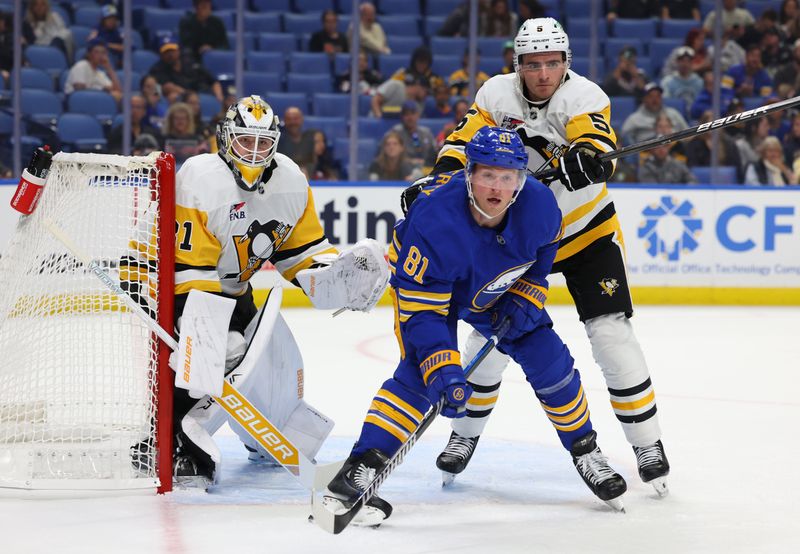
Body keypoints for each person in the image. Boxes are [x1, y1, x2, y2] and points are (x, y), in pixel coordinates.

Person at [407, 17, 670, 496]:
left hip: (587, 234)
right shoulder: (494, 94)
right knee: (492, 337)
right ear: (518, 65)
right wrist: (440, 179)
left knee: (611, 334)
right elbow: (462, 145)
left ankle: (646, 443)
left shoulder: (584, 95)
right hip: (521, 239)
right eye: (533, 63)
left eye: (552, 63)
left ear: (566, 63)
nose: (543, 73)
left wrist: (586, 156)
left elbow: (595, 137)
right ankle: (463, 434)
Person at [323, 127, 627, 524]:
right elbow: (424, 314)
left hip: (495, 288)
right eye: (487, 175)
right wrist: (444, 370)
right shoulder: (433, 219)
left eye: (507, 177)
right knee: (419, 376)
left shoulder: (540, 207)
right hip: (433, 291)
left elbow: (543, 254)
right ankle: (357, 470)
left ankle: (586, 450)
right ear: (468, 174)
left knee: (550, 360)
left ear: (521, 179)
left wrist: (528, 292)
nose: (497, 188)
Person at [168, 95, 388, 488]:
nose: (254, 152)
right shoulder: (200, 177)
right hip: (179, 291)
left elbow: (301, 254)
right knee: (217, 360)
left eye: (263, 143)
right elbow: (192, 275)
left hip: (235, 292)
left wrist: (339, 279)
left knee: (276, 363)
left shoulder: (290, 179)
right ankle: (180, 444)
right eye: (243, 142)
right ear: (224, 140)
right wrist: (209, 339)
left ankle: (268, 439)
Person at [148, 35, 224, 104]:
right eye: (166, 51)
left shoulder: (191, 63)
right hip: (183, 100)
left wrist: (219, 96)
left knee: (231, 100)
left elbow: (213, 81)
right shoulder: (157, 69)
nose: (170, 54)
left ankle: (227, 116)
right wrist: (190, 96)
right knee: (173, 96)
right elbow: (167, 87)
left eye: (172, 50)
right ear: (161, 55)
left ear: (179, 50)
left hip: (203, 94)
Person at [621, 82, 688, 145]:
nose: (655, 99)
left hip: (675, 152)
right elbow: (624, 139)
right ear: (644, 99)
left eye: (658, 96)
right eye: (651, 96)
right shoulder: (634, 119)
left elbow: (688, 135)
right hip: (645, 153)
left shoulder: (673, 114)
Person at [63, 38, 122, 103]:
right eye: (97, 52)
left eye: (103, 52)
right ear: (89, 54)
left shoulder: (100, 73)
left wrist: (109, 68)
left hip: (94, 101)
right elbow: (79, 90)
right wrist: (101, 90)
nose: (100, 56)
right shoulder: (81, 65)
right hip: (76, 102)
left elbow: (118, 90)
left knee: (118, 96)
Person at [389, 101, 438, 172]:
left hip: (426, 169)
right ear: (402, 117)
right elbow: (389, 155)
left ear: (418, 115)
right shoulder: (396, 132)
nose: (410, 117)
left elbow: (435, 152)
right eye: (406, 114)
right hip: (402, 170)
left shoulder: (426, 133)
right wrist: (409, 161)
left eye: (413, 114)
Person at [178, 0, 229, 64]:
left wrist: (212, 49)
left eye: (209, 5)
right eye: (203, 6)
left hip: (214, 59)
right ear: (196, 7)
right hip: (193, 58)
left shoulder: (217, 23)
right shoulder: (186, 23)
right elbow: (186, 45)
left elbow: (225, 45)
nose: (207, 8)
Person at [275, 106, 316, 178]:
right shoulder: (277, 141)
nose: (292, 122)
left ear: (302, 119)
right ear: (284, 120)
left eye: (295, 119)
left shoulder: (311, 139)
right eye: (289, 119)